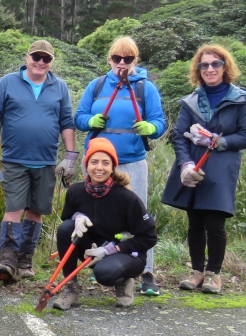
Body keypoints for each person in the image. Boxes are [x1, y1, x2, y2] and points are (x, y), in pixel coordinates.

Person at [160, 44, 246, 295]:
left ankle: (214, 274)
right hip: (194, 168)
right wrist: (185, 164)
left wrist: (219, 141)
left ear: (225, 67)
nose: (210, 69)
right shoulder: (191, 101)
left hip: (221, 170)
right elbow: (180, 137)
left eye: (216, 64)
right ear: (199, 69)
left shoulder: (240, 99)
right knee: (194, 223)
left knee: (215, 222)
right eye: (205, 65)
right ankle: (196, 272)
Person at [74, 36, 166, 295]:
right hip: (98, 162)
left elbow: (159, 122)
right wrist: (92, 121)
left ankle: (145, 272)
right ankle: (103, 264)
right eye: (117, 58)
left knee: (138, 217)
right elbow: (79, 118)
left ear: (135, 60)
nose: (122, 63)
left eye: (128, 59)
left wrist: (150, 127)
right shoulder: (97, 85)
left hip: (132, 160)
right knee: (99, 215)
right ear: (110, 60)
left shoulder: (145, 88)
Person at [0, 40, 75, 283]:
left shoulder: (60, 87)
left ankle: (25, 262)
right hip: (14, 160)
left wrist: (70, 157)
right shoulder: (8, 83)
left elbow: (66, 122)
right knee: (13, 210)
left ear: (52, 62)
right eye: (36, 57)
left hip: (46, 162)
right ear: (27, 57)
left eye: (46, 58)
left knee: (36, 211)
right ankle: (8, 262)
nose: (40, 62)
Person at [51, 138, 157, 310]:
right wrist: (77, 217)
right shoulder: (75, 191)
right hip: (92, 247)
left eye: (105, 163)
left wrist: (110, 250)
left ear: (112, 167)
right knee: (65, 229)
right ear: (87, 165)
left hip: (128, 253)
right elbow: (67, 220)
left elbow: (149, 237)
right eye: (94, 162)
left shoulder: (127, 198)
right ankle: (71, 287)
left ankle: (124, 281)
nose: (99, 167)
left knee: (104, 274)